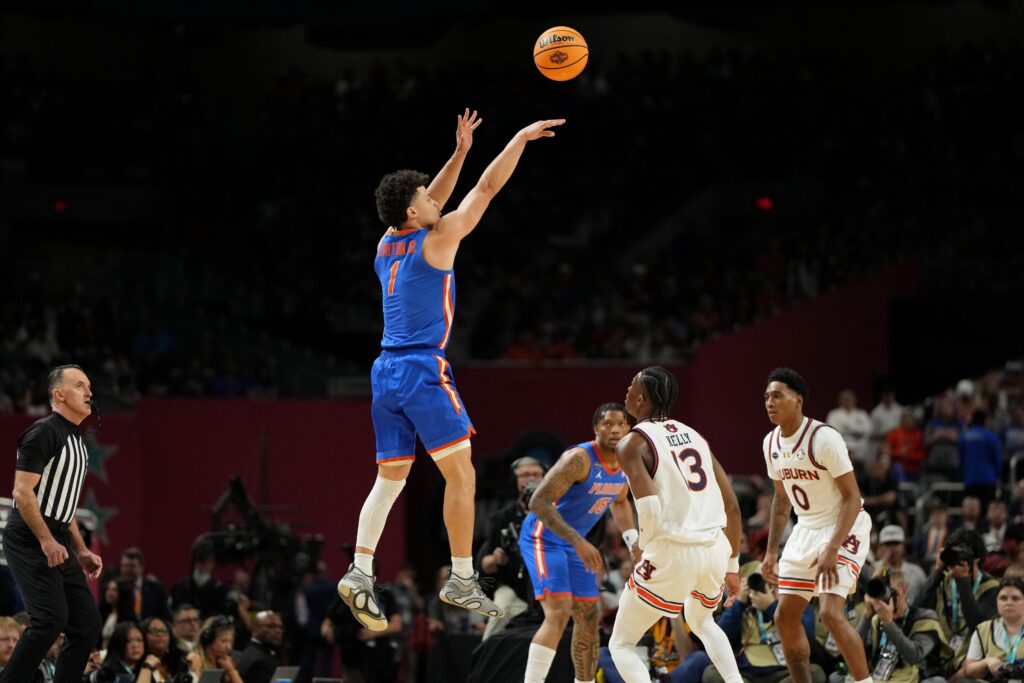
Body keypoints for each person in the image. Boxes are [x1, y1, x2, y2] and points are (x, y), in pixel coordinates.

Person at [338, 110, 566, 630]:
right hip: (422, 368)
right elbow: (485, 189)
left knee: (389, 480)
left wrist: (460, 151)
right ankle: (462, 576)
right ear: (413, 211)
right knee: (462, 475)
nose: (435, 199)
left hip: (385, 371)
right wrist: (519, 139)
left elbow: (430, 200)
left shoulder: (388, 242)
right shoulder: (439, 239)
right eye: (426, 196)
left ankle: (360, 569)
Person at [607, 367, 745, 683]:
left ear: (641, 398)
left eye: (631, 386)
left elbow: (649, 508)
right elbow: (733, 507)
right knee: (703, 622)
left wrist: (644, 546)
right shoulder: (694, 436)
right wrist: (732, 566)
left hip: (673, 550)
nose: (626, 390)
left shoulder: (631, 444)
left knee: (621, 643)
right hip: (714, 550)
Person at [760, 367, 872, 683]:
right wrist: (771, 552)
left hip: (843, 525)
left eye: (777, 396)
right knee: (784, 616)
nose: (770, 402)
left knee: (829, 613)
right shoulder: (770, 443)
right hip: (805, 529)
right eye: (766, 397)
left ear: (798, 400)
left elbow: (852, 498)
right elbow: (782, 499)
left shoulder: (823, 438)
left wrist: (832, 549)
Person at [518, 402, 637, 683]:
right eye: (608, 424)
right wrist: (578, 542)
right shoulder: (579, 459)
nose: (615, 430)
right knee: (559, 612)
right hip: (543, 537)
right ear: (596, 428)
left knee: (588, 615)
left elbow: (620, 503)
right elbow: (538, 502)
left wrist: (633, 542)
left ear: (628, 429)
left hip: (575, 542)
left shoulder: (626, 462)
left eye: (621, 424)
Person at [0, 364, 103, 683]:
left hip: (56, 537)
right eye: (79, 385)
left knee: (86, 623)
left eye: (89, 386)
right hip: (29, 536)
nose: (89, 392)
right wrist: (46, 540)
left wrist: (81, 549)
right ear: (59, 394)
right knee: (49, 620)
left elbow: (64, 507)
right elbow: (22, 492)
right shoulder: (44, 432)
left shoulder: (78, 442)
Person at [476, 456, 546, 639]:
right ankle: (485, 653)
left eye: (536, 474)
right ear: (515, 481)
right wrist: (497, 558)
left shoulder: (555, 512)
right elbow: (485, 564)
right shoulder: (502, 518)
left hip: (549, 588)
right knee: (501, 609)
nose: (531, 479)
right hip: (514, 589)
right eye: (525, 475)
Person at [914, 528, 998, 679]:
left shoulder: (991, 587)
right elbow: (916, 610)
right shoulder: (943, 581)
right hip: (939, 658)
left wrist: (963, 581)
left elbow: (978, 625)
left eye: (962, 553)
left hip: (971, 661)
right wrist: (937, 572)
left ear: (977, 558)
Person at [848, 569, 944, 683]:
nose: (884, 598)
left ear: (904, 589)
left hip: (913, 678)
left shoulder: (924, 618)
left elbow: (914, 656)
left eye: (889, 591)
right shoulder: (875, 620)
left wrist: (888, 623)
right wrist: (867, 616)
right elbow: (850, 650)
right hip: (879, 676)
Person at [958, 577, 1024, 682]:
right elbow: (969, 669)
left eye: (1015, 598)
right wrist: (987, 662)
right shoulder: (984, 629)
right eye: (1003, 598)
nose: (1009, 603)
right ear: (996, 601)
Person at [870, 526, 928, 606]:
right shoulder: (873, 569)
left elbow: (927, 596)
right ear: (880, 547)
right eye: (888, 544)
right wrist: (883, 565)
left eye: (896, 543)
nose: (892, 548)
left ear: (903, 546)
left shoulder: (916, 571)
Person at [187, 616, 243, 683]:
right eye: (224, 641)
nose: (229, 647)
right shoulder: (195, 658)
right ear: (208, 639)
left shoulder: (226, 661)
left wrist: (231, 671)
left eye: (231, 642)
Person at [118, 547, 170, 621]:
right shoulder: (115, 589)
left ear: (141, 567)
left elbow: (165, 616)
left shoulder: (156, 589)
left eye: (132, 566)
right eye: (125, 566)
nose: (128, 570)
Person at [236, 610, 284, 683]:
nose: (278, 631)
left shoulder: (260, 651)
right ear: (255, 628)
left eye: (280, 627)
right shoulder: (259, 660)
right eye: (271, 626)